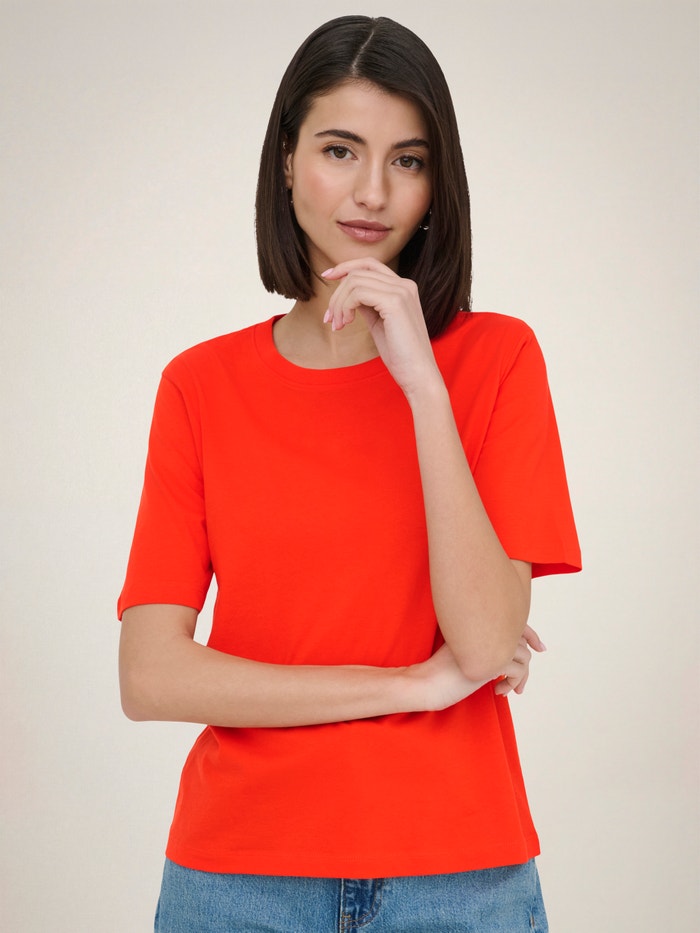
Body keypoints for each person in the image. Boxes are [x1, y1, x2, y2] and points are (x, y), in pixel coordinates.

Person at [118, 15, 581, 932]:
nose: (373, 192)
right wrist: (410, 687)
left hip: (457, 876)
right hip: (237, 878)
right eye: (340, 150)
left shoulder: (497, 360)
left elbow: (485, 641)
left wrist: (423, 388)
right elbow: (151, 674)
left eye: (408, 160)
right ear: (286, 161)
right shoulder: (200, 385)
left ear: (438, 184)